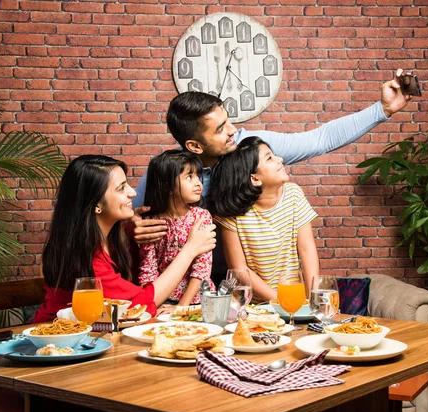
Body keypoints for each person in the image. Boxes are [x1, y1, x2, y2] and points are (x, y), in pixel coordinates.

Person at [130, 70, 413, 284]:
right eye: (219, 129)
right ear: (193, 146)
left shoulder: (251, 147)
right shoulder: (166, 172)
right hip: (185, 284)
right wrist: (132, 227)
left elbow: (320, 139)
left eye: (228, 119)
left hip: (245, 282)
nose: (232, 130)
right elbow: (128, 218)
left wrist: (383, 109)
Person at [34, 155, 216, 323]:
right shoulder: (88, 259)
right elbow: (141, 303)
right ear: (96, 204)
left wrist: (127, 231)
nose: (133, 193)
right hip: (60, 337)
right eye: (121, 188)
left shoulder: (117, 238)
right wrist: (190, 250)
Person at [209, 137, 319, 301]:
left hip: (294, 300)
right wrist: (279, 300)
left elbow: (307, 249)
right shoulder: (232, 213)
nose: (279, 159)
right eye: (269, 158)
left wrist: (313, 298)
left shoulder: (293, 194)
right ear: (255, 178)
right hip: (253, 306)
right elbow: (239, 269)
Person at [137, 149, 215, 306]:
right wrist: (151, 306)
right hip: (162, 300)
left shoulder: (201, 217)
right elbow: (148, 270)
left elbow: (202, 269)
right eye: (189, 177)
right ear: (168, 185)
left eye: (197, 176)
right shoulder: (151, 221)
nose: (198, 183)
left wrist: (181, 308)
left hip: (197, 301)